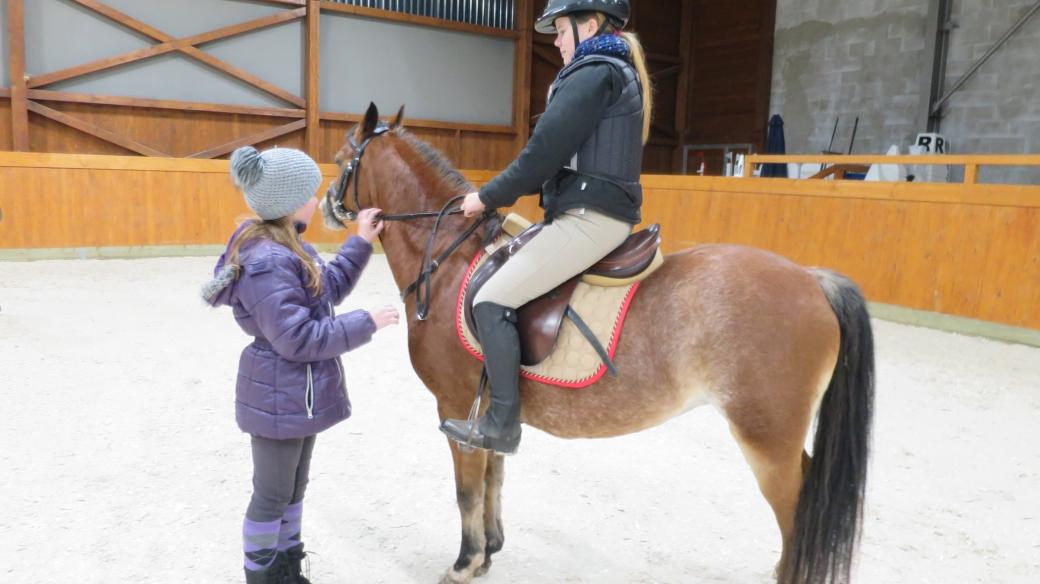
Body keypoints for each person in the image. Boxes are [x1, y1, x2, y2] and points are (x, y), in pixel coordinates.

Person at [440, 0, 653, 454]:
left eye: (560, 31)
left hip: (589, 219)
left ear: (589, 25)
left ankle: (502, 422)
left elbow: (541, 157)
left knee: (491, 297)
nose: (555, 42)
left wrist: (486, 197)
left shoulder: (595, 71)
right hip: (587, 211)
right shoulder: (609, 69)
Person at [202, 146, 399, 583]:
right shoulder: (269, 261)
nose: (317, 198)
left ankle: (287, 567)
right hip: (279, 392)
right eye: (311, 192)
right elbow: (296, 338)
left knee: (293, 489)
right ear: (289, 201)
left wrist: (360, 242)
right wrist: (366, 322)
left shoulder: (290, 247)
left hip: (298, 394)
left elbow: (324, 290)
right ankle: (262, 576)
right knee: (271, 495)